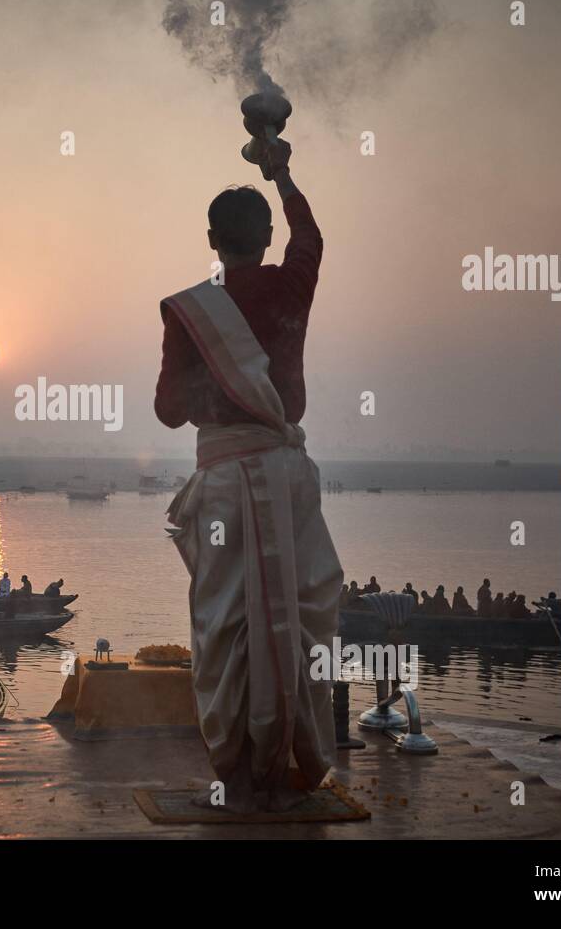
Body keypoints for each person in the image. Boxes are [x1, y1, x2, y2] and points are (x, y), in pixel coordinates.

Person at [154, 136, 340, 814]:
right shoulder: (292, 281)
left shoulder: (187, 312)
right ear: (265, 237)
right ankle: (293, 765)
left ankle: (233, 774)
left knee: (226, 630)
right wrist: (281, 172)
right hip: (288, 480)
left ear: (212, 239)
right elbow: (311, 236)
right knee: (299, 616)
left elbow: (168, 411)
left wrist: (215, 388)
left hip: (228, 480)